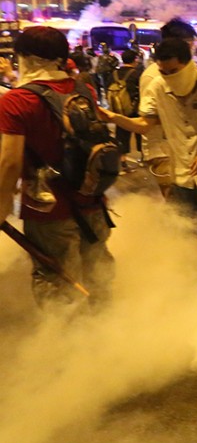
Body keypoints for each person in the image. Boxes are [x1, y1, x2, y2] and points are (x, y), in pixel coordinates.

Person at [0, 26, 114, 309]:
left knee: (56, 280)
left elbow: (10, 161)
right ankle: (111, 334)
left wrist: (1, 206)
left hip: (49, 212)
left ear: (25, 57)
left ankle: (69, 348)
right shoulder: (82, 89)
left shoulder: (16, 101)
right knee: (98, 274)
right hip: (92, 201)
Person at [101, 37, 197, 253]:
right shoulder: (158, 87)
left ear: (188, 63)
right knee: (185, 230)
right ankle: (192, 273)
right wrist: (113, 117)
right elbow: (145, 124)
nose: (168, 77)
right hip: (181, 172)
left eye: (173, 70)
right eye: (163, 72)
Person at [139, 18, 193, 199]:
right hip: (162, 151)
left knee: (187, 204)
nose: (193, 48)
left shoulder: (185, 71)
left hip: (181, 148)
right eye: (189, 43)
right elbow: (149, 119)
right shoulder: (153, 77)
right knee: (176, 205)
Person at [111, 48, 144, 168]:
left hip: (119, 108)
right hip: (134, 108)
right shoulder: (137, 73)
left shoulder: (114, 73)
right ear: (134, 60)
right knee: (139, 132)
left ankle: (122, 160)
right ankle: (142, 157)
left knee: (121, 133)